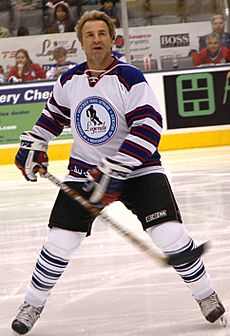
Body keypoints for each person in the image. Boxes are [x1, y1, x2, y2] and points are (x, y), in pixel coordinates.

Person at [12, 10, 226, 335]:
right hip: (85, 173)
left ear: (113, 39)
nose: (96, 39)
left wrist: (119, 167)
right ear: (81, 42)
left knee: (170, 234)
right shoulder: (70, 81)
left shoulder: (129, 77)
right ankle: (32, 303)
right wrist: (35, 143)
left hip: (139, 170)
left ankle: (206, 294)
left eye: (102, 33)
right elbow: (52, 118)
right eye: (89, 34)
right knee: (58, 241)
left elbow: (150, 125)